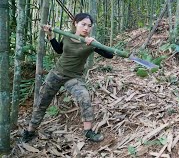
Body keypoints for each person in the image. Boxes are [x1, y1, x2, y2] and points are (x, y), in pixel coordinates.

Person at [22, 13, 113, 142]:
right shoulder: (67, 36)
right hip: (56, 74)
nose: (86, 28)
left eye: (89, 26)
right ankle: (30, 131)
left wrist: (96, 43)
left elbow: (110, 55)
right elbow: (59, 50)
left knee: (84, 96)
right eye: (83, 24)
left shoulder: (90, 43)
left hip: (73, 78)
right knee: (42, 102)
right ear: (75, 23)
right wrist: (50, 35)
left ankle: (88, 131)